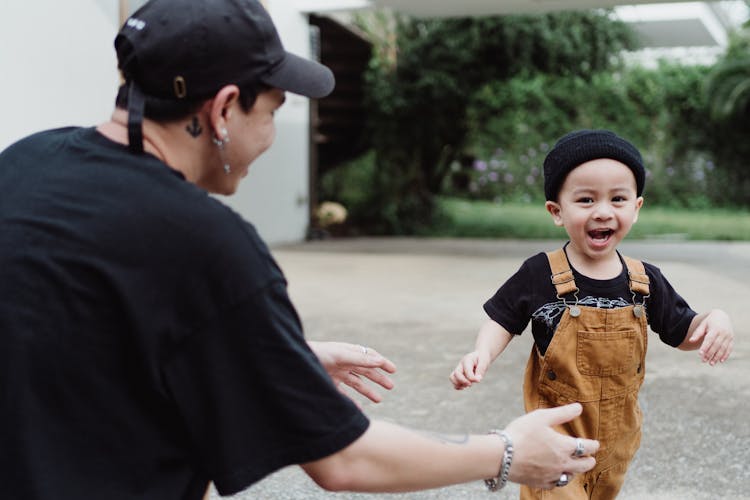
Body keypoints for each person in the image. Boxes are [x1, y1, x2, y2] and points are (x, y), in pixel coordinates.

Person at [0, 1, 600, 498]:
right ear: (223, 109)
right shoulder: (205, 240)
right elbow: (345, 461)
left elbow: (72, 329)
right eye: (275, 110)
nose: (273, 134)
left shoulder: (24, 164)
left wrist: (267, 354)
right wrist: (508, 451)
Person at [449, 129, 735, 499]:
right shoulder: (540, 273)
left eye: (618, 198)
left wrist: (716, 319)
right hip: (554, 441)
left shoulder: (645, 281)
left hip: (617, 442)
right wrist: (481, 354)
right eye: (585, 200)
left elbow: (684, 332)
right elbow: (503, 318)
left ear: (636, 207)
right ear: (557, 211)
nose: (603, 211)